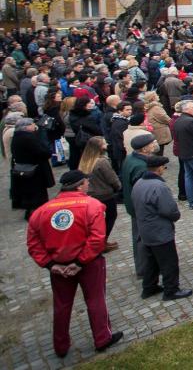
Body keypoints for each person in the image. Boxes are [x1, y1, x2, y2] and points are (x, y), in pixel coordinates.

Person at [26, 170, 123, 357]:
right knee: (95, 299)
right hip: (89, 263)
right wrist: (80, 261)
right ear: (80, 185)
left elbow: (33, 243)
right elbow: (97, 238)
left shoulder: (42, 211)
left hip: (58, 265)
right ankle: (102, 337)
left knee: (62, 305)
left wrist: (49, 264)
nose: (88, 184)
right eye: (87, 182)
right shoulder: (92, 206)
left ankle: (60, 345)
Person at [132, 154, 193, 300]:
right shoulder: (158, 186)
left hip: (145, 229)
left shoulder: (139, 183)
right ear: (159, 169)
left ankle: (149, 286)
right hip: (159, 230)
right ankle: (171, 290)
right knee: (169, 261)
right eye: (163, 167)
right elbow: (169, 210)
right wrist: (175, 215)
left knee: (152, 260)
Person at [121, 132, 157, 277]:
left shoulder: (131, 158)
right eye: (152, 143)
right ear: (144, 149)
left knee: (140, 236)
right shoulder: (141, 166)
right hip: (142, 209)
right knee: (142, 239)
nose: (155, 144)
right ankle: (144, 269)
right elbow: (144, 190)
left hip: (134, 206)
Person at [78, 135, 121, 250]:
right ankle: (103, 241)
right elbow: (112, 179)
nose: (106, 145)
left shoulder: (85, 160)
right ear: (99, 147)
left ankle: (98, 240)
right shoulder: (102, 162)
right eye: (104, 143)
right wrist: (118, 187)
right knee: (110, 216)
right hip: (104, 194)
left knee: (97, 220)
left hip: (91, 194)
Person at [10, 116, 54, 220]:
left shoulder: (17, 136)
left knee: (29, 193)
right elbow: (42, 152)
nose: (34, 126)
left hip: (24, 168)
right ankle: (37, 213)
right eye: (32, 124)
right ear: (26, 127)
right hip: (35, 169)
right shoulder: (29, 138)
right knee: (37, 193)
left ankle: (31, 211)